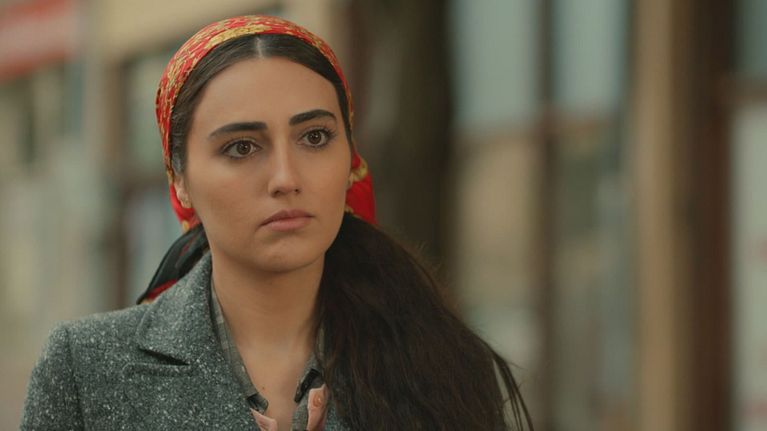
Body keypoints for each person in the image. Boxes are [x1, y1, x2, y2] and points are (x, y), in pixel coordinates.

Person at [21, 15, 532, 430]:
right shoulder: (85, 370)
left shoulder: (442, 363)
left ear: (350, 160)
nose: (286, 178)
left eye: (315, 137)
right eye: (242, 147)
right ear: (180, 180)